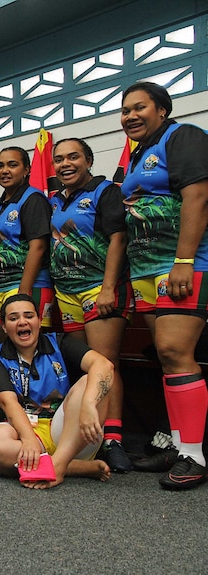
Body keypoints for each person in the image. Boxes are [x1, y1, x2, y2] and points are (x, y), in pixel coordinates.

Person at [119, 81, 208, 489]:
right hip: (145, 270)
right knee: (166, 357)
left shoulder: (183, 136)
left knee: (175, 350)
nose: (130, 116)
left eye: (139, 107)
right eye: (125, 110)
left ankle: (193, 454)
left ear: (162, 110)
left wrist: (184, 261)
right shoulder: (138, 155)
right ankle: (177, 443)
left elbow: (199, 198)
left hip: (182, 264)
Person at [49, 137, 132, 473]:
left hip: (99, 289)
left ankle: (112, 440)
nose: (65, 164)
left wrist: (109, 288)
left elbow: (118, 238)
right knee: (85, 368)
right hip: (66, 293)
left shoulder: (105, 191)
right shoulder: (54, 200)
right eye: (59, 159)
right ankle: (88, 440)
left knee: (105, 365)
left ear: (88, 160)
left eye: (73, 157)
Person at [0, 294, 114, 489]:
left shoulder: (58, 342)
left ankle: (59, 462)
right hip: (28, 431)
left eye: (28, 316)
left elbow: (104, 365)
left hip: (70, 432)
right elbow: (9, 403)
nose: (22, 322)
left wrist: (89, 404)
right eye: (13, 318)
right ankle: (74, 467)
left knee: (91, 380)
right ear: (4, 327)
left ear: (39, 321)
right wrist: (29, 439)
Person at [0, 146, 53, 344]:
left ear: (26, 169)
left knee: (31, 347)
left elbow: (38, 247)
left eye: (12, 165)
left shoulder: (33, 199)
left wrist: (24, 291)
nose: (5, 170)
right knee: (6, 348)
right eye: (0, 166)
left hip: (26, 285)